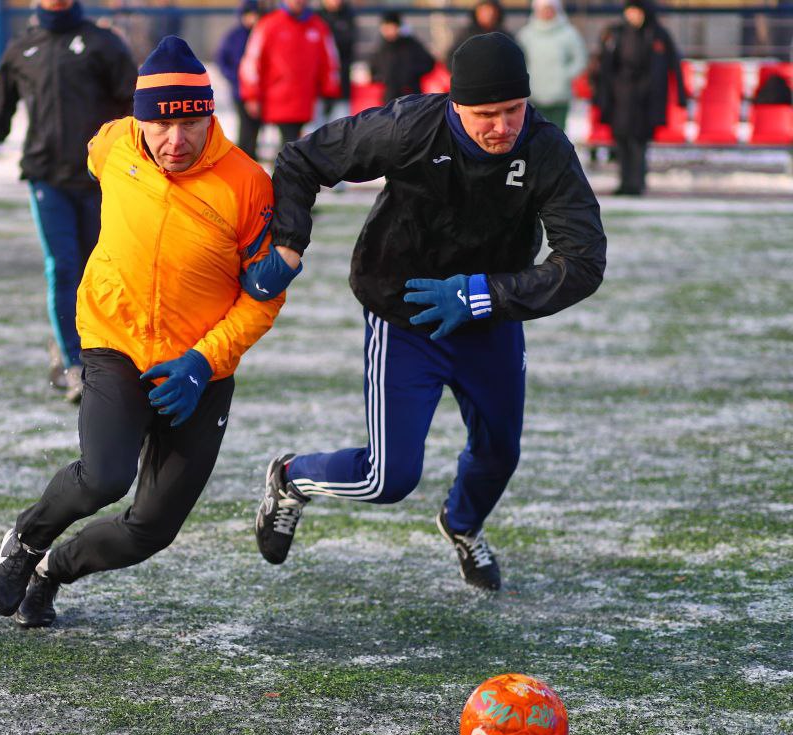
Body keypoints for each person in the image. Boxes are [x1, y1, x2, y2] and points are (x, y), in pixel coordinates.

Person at [253, 33, 606, 591]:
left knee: (499, 452)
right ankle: (291, 477)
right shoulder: (409, 128)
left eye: (514, 110)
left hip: (488, 316)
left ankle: (462, 523)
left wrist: (484, 295)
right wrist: (290, 241)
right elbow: (301, 160)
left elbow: (584, 260)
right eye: (486, 113)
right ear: (455, 104)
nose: (502, 126)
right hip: (404, 314)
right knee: (388, 479)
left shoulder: (545, 148)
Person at [0, 37, 297, 629]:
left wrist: (203, 363)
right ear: (139, 120)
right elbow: (101, 153)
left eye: (190, 124)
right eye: (159, 125)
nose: (174, 142)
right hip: (115, 342)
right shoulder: (113, 145)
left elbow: (263, 300)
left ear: (209, 115)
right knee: (104, 476)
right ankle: (26, 541)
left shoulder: (248, 184)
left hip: (199, 367)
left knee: (152, 528)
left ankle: (52, 570)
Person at [0, 0, 137, 403]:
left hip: (100, 179)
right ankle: (73, 362)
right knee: (63, 268)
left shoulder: (103, 44)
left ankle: (109, 354)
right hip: (46, 179)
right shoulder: (22, 50)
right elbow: (0, 110)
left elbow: (135, 107)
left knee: (103, 271)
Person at [592, 0, 688, 196]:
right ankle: (624, 181)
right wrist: (601, 95)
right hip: (620, 98)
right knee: (621, 140)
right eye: (630, 12)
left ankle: (637, 182)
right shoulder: (616, 33)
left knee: (639, 141)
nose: (633, 16)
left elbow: (674, 65)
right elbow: (604, 66)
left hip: (645, 99)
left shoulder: (658, 34)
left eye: (637, 12)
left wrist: (681, 95)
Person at [238, 0, 342, 157]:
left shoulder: (318, 26)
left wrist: (329, 91)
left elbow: (330, 62)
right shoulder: (269, 24)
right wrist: (252, 95)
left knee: (299, 150)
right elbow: (252, 63)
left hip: (307, 103)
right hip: (277, 102)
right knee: (287, 149)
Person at [515, 0, 587, 134]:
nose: (546, 13)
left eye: (549, 9)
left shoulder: (569, 33)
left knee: (557, 133)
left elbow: (580, 58)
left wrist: (565, 75)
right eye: (542, 9)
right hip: (534, 94)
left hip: (560, 95)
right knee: (535, 133)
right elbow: (519, 60)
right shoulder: (526, 34)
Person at [215, 0, 263, 159]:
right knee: (245, 129)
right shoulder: (234, 36)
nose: (252, 18)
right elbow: (222, 60)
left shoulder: (262, 33)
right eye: (249, 14)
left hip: (259, 91)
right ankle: (244, 159)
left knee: (256, 130)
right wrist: (236, 78)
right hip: (240, 91)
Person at [367, 11, 435, 104]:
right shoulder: (381, 47)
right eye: (384, 28)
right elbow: (373, 70)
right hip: (389, 98)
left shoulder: (411, 44)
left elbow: (429, 63)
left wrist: (410, 73)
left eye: (390, 27)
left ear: (397, 27)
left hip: (411, 96)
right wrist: (380, 77)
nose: (387, 31)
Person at [318, 0, 357, 123]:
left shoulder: (348, 16)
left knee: (341, 123)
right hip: (320, 85)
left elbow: (349, 44)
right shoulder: (317, 18)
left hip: (341, 81)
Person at [447, 0, 507, 67]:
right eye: (485, 11)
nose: (490, 14)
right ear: (477, 13)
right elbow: (452, 59)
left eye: (492, 11)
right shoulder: (466, 35)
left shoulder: (505, 36)